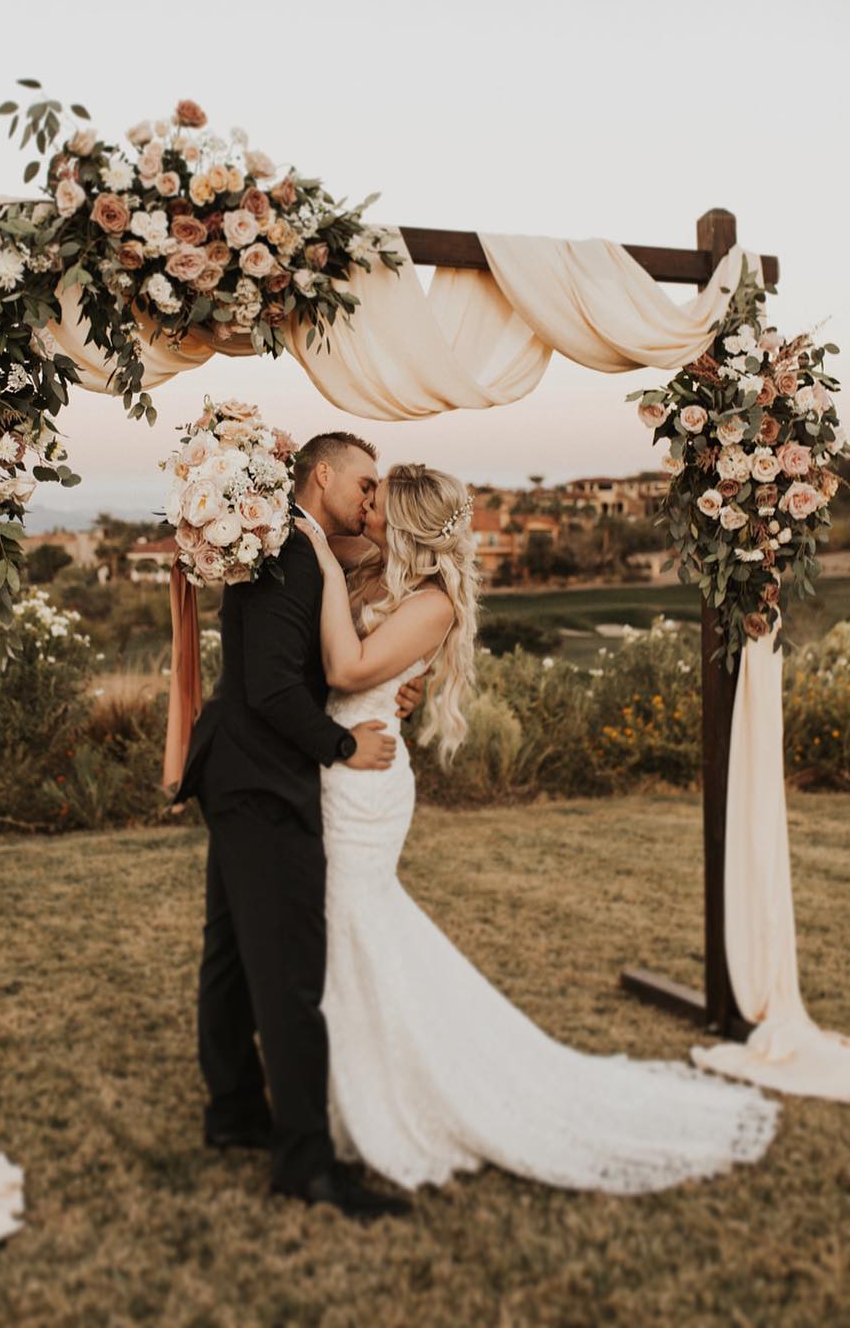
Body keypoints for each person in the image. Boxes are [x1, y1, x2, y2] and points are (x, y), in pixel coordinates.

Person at [294, 461, 779, 1195]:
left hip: (366, 783)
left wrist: (328, 574)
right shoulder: (376, 569)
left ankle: (395, 1093)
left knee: (357, 922)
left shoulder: (431, 602)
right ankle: (340, 1089)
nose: (364, 510)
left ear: (408, 527)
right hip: (338, 766)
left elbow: (345, 666)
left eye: (377, 505)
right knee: (344, 930)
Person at [176, 432, 421, 1220]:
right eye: (364, 482)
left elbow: (297, 672)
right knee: (286, 975)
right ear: (323, 476)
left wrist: (379, 698)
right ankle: (304, 1161)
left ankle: (236, 1110)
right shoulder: (285, 552)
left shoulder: (283, 543)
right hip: (263, 781)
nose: (370, 498)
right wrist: (345, 744)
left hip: (235, 770)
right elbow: (276, 690)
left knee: (230, 955)